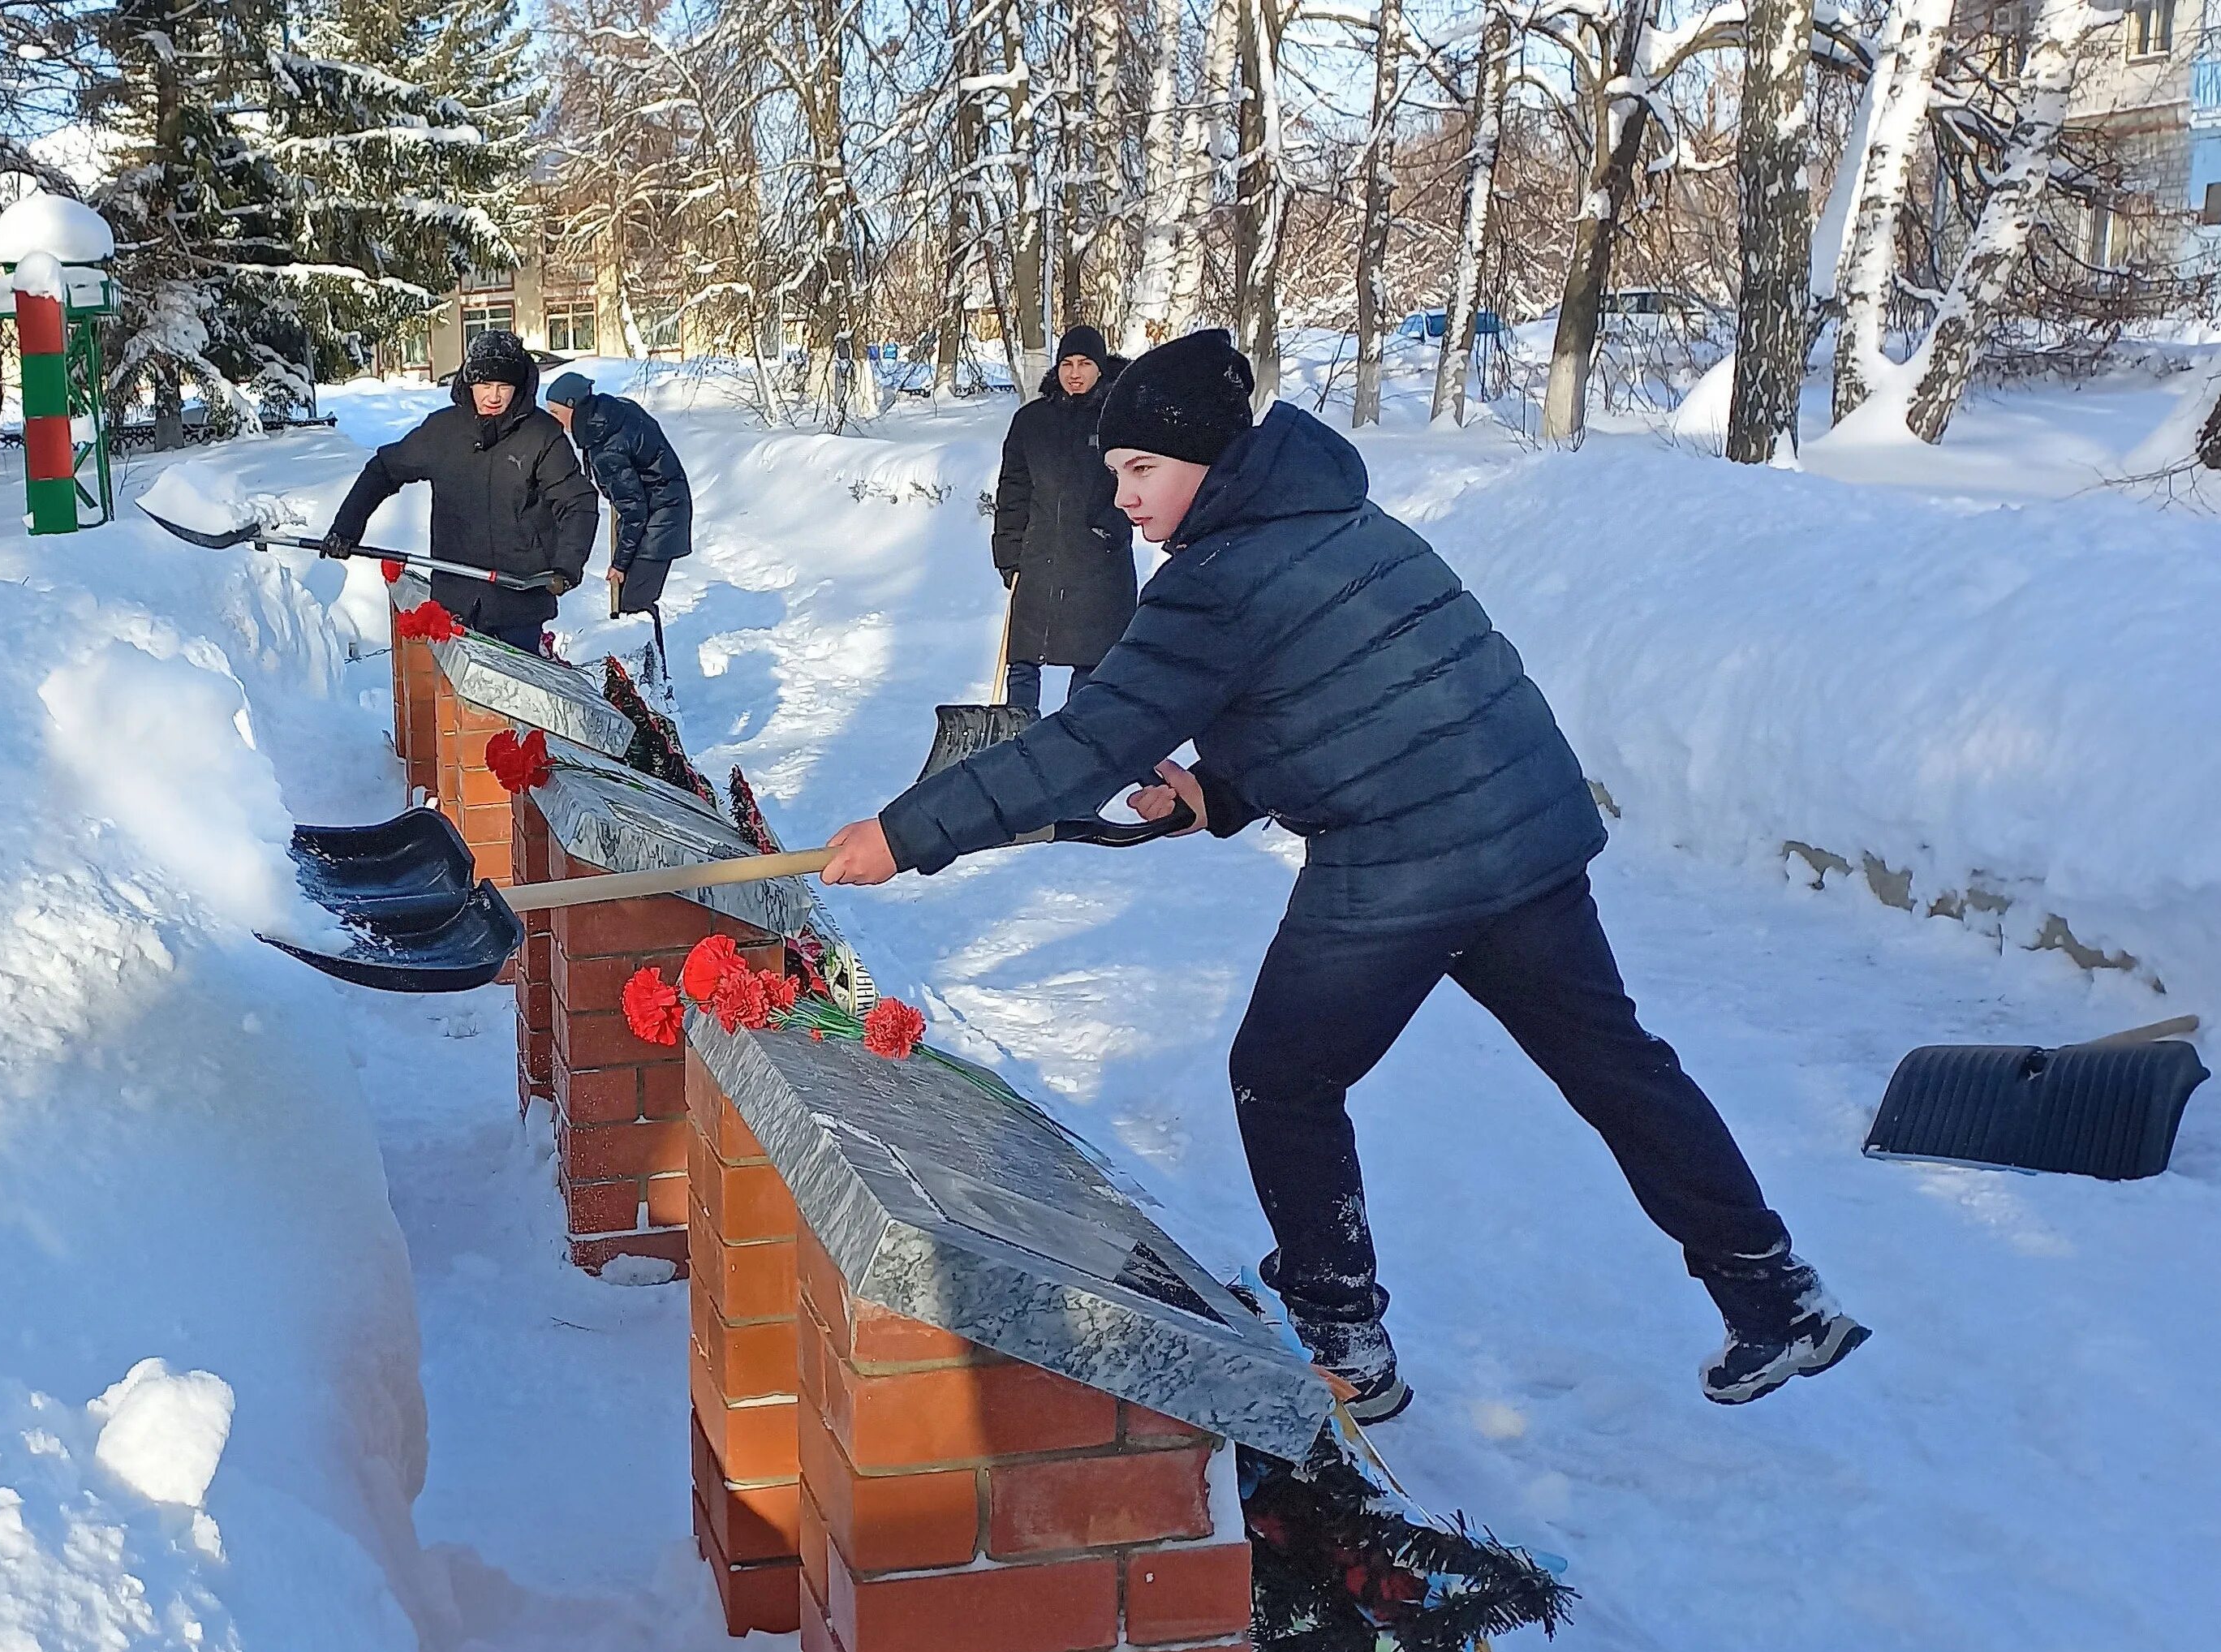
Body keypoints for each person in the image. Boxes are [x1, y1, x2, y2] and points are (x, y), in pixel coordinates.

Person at [818, 329, 1867, 1420]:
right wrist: (1217, 793)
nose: (1121, 494)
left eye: (1141, 470)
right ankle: (1776, 1294)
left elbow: (1080, 747)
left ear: (1211, 463)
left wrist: (907, 833)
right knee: (1617, 1067)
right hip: (1525, 824)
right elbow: (1343, 700)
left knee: (1283, 1076)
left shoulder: (1214, 581)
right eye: (1114, 471)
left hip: (1408, 857)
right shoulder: (1338, 518)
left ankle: (1344, 1339)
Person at [325, 330, 599, 652]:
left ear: (519, 386)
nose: (493, 396)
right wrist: (346, 527)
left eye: (503, 386)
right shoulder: (443, 431)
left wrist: (566, 566)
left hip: (519, 601)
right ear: (469, 382)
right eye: (485, 385)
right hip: (455, 598)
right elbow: (384, 470)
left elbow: (577, 502)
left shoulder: (541, 436)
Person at [989, 325, 1136, 711]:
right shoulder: (1031, 421)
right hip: (1038, 558)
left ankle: (1074, 746)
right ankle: (1017, 739)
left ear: (1101, 368)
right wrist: (1008, 554)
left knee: (1092, 663)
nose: (1075, 372)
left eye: (1085, 363)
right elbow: (1013, 491)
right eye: (1067, 363)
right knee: (1022, 660)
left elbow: (1139, 478)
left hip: (1097, 561)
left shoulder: (1120, 418)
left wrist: (1113, 528)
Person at [543, 371, 695, 619]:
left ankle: (647, 657)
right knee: (633, 605)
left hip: (660, 521)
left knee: (635, 608)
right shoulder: (614, 413)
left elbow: (634, 511)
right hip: (663, 508)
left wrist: (620, 564)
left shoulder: (607, 449)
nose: (556, 422)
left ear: (574, 407)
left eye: (556, 414)